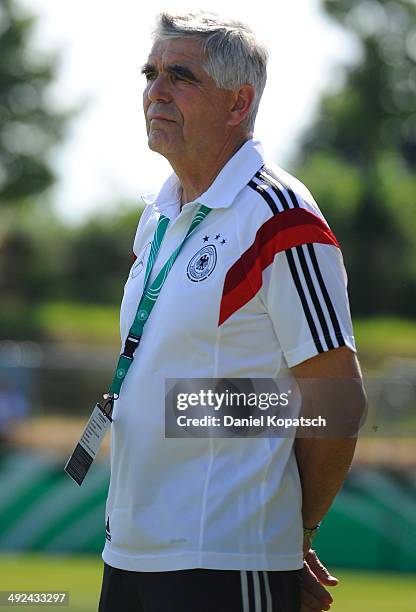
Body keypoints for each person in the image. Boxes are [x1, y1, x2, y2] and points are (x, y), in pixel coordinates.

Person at [98, 10, 366, 612]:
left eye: (180, 76)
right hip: (130, 553)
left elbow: (335, 403)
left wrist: (289, 536)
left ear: (239, 102)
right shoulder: (158, 217)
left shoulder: (280, 217)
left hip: (222, 560)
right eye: (150, 73)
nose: (155, 91)